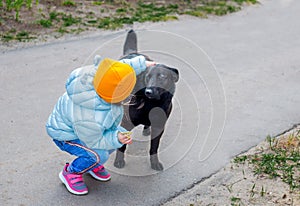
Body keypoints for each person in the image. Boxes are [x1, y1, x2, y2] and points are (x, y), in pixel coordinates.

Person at [46, 55, 156, 195]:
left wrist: (141, 63)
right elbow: (94, 140)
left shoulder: (100, 76)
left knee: (112, 142)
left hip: (85, 130)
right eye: (128, 92)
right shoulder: (91, 116)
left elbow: (118, 69)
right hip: (66, 135)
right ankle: (71, 172)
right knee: (100, 154)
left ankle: (91, 164)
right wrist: (116, 137)